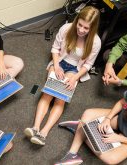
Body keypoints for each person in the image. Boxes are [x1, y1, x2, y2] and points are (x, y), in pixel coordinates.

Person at [24, 6, 101, 146]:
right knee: (48, 94)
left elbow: (88, 65)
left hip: (75, 69)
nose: (81, 30)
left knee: (60, 99)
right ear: (77, 20)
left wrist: (75, 77)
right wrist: (56, 65)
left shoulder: (96, 42)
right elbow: (55, 49)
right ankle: (35, 127)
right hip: (59, 61)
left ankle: (44, 133)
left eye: (86, 28)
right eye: (80, 25)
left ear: (93, 28)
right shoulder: (66, 28)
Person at [55, 89, 127, 165]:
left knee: (110, 160)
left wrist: (120, 138)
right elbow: (121, 103)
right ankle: (72, 154)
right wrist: (107, 119)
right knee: (87, 113)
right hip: (120, 120)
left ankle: (81, 130)